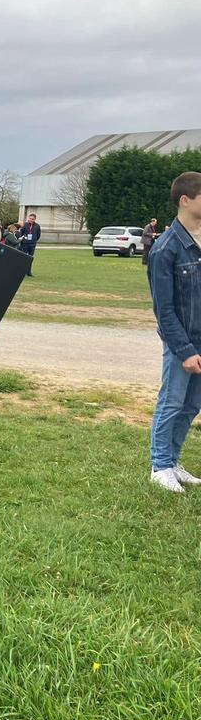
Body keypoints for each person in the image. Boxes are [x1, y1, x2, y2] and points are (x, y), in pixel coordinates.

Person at [147, 172, 201, 493]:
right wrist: (185, 350)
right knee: (172, 402)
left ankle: (174, 461)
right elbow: (163, 310)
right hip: (182, 343)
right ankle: (160, 465)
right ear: (185, 200)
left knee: (192, 405)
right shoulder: (165, 249)